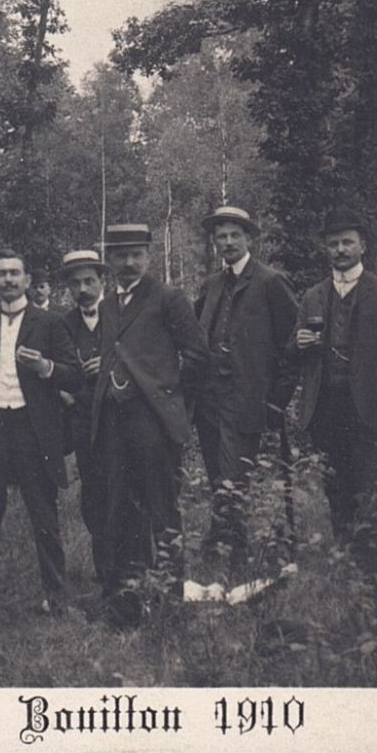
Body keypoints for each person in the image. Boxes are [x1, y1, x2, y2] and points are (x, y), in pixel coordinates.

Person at [89, 224, 209, 628]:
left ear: (148, 256)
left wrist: (172, 403)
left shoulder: (168, 299)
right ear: (109, 259)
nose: (128, 262)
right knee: (121, 509)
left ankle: (170, 602)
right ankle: (126, 599)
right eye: (120, 255)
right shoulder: (108, 306)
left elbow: (196, 356)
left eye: (135, 254)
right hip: (113, 422)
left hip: (152, 422)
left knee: (161, 508)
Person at [0, 248, 81, 619]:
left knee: (44, 517)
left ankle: (58, 599)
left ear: (28, 280)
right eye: (1, 273)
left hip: (33, 429)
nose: (8, 280)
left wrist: (45, 367)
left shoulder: (50, 323)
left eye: (15, 273)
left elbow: (74, 375)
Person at [291, 209, 377, 557]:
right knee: (335, 481)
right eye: (333, 244)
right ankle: (343, 548)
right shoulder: (313, 295)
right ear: (325, 249)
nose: (340, 249)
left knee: (370, 482)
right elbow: (291, 348)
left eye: (347, 242)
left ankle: (371, 556)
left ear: (362, 246)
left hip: (373, 408)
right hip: (327, 406)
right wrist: (298, 343)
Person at [192, 206, 300, 564]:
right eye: (221, 236)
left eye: (234, 235)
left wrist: (276, 400)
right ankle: (225, 542)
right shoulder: (210, 285)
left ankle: (231, 550)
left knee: (234, 475)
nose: (227, 242)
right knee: (216, 474)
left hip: (247, 397)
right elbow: (193, 338)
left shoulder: (270, 282)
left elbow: (293, 346)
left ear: (248, 238)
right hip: (209, 399)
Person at [55, 249, 111, 583]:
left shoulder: (121, 315)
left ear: (103, 281)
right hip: (82, 422)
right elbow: (52, 370)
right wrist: (63, 392)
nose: (83, 289)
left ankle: (135, 571)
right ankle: (104, 571)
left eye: (89, 281)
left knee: (127, 494)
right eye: (75, 283)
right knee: (93, 495)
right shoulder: (63, 324)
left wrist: (111, 367)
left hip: (120, 420)